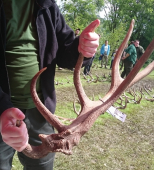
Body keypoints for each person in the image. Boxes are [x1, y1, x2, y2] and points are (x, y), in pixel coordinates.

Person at [0, 1, 100, 170]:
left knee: (42, 167)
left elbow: (64, 53)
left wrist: (82, 47)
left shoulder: (46, 5)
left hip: (41, 114)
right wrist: (2, 107)